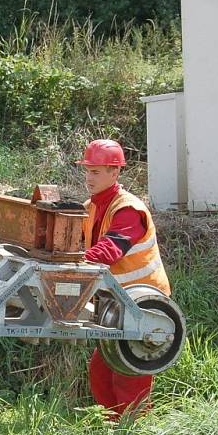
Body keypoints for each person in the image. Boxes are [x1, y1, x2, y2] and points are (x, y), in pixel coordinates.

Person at [78, 139, 170, 419]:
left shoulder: (129, 209)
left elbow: (111, 249)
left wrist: (76, 264)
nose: (89, 177)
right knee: (101, 369)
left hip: (143, 303)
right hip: (117, 302)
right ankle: (114, 427)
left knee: (129, 372)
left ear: (114, 173)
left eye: (96, 172)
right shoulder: (90, 207)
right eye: (87, 171)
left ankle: (134, 430)